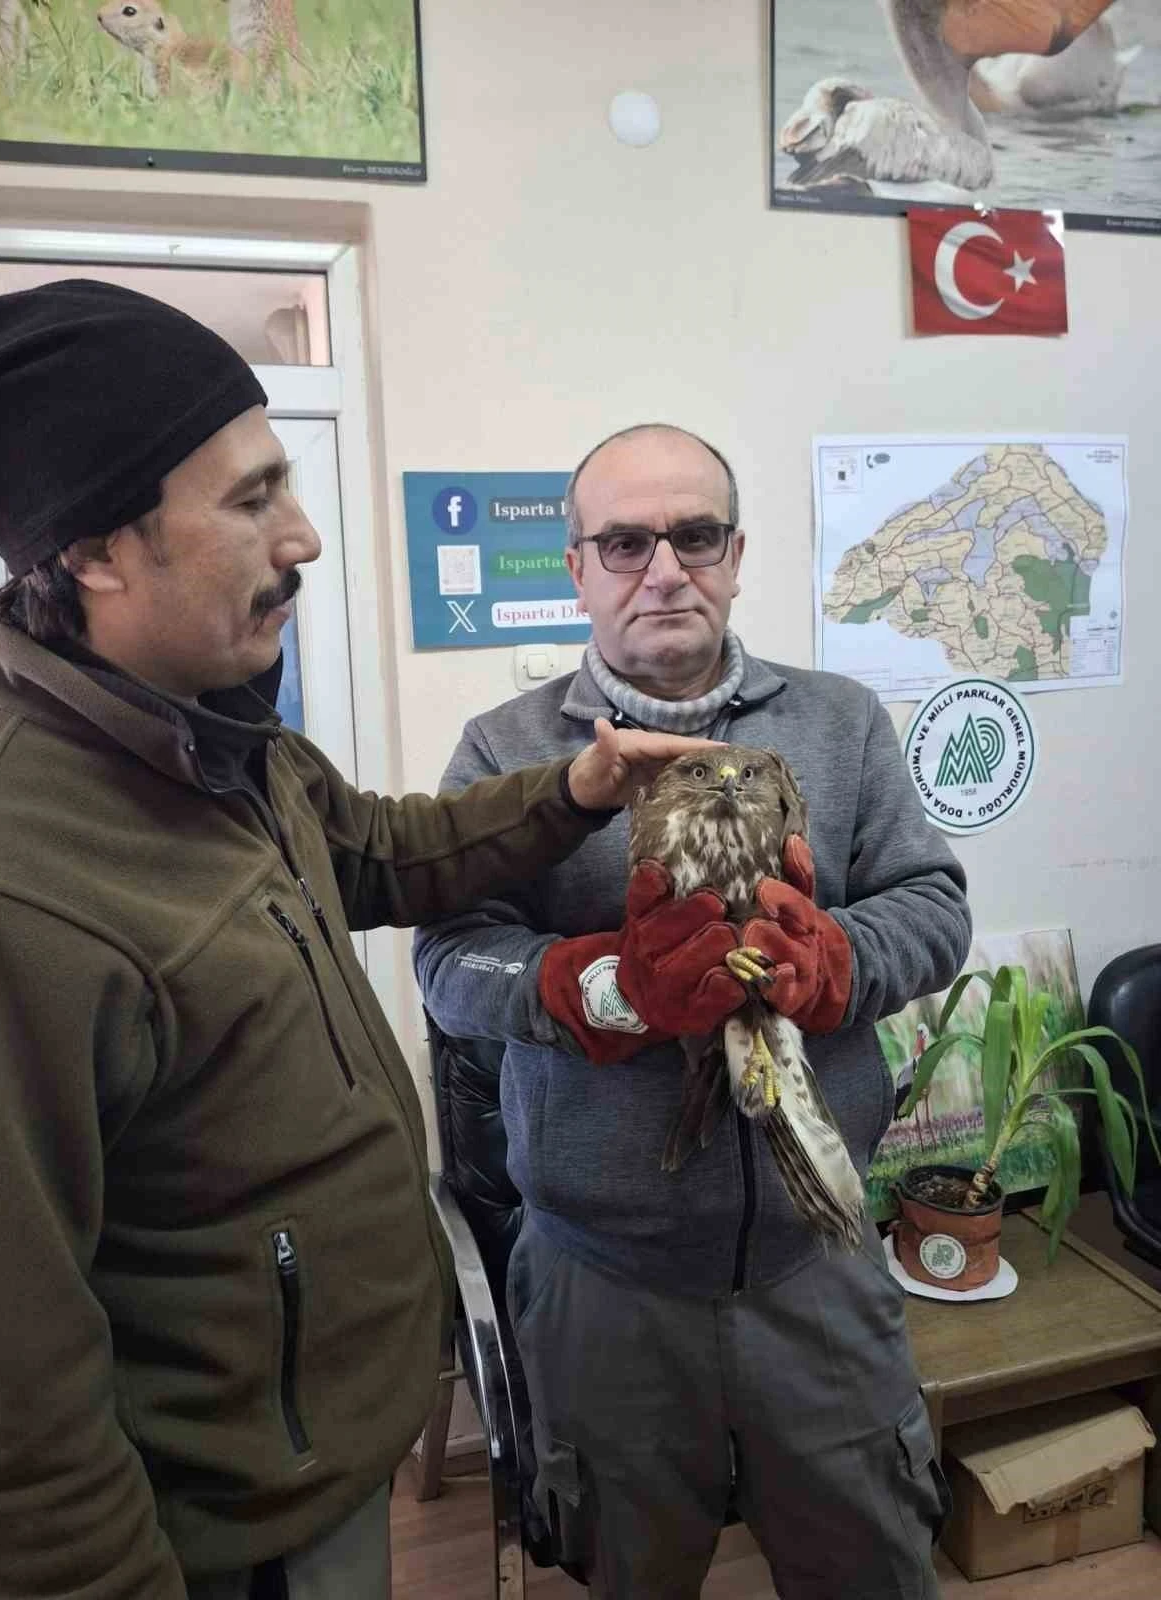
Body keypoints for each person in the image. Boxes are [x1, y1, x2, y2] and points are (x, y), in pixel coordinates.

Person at [0, 288, 720, 1600]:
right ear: (94, 549)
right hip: (211, 1537)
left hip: (319, 1454)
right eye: (251, 500)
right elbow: (4, 1393)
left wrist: (574, 792)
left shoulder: (211, 736)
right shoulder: (4, 885)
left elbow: (375, 848)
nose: (303, 535)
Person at [413, 422, 973, 1599]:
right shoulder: (507, 750)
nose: (662, 568)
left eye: (694, 535)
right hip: (602, 1284)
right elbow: (451, 960)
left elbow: (934, 904)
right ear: (577, 566)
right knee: (633, 1574)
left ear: (733, 554)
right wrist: (603, 988)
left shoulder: (840, 721)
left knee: (873, 1567)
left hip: (815, 1264)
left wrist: (834, 962)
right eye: (624, 541)